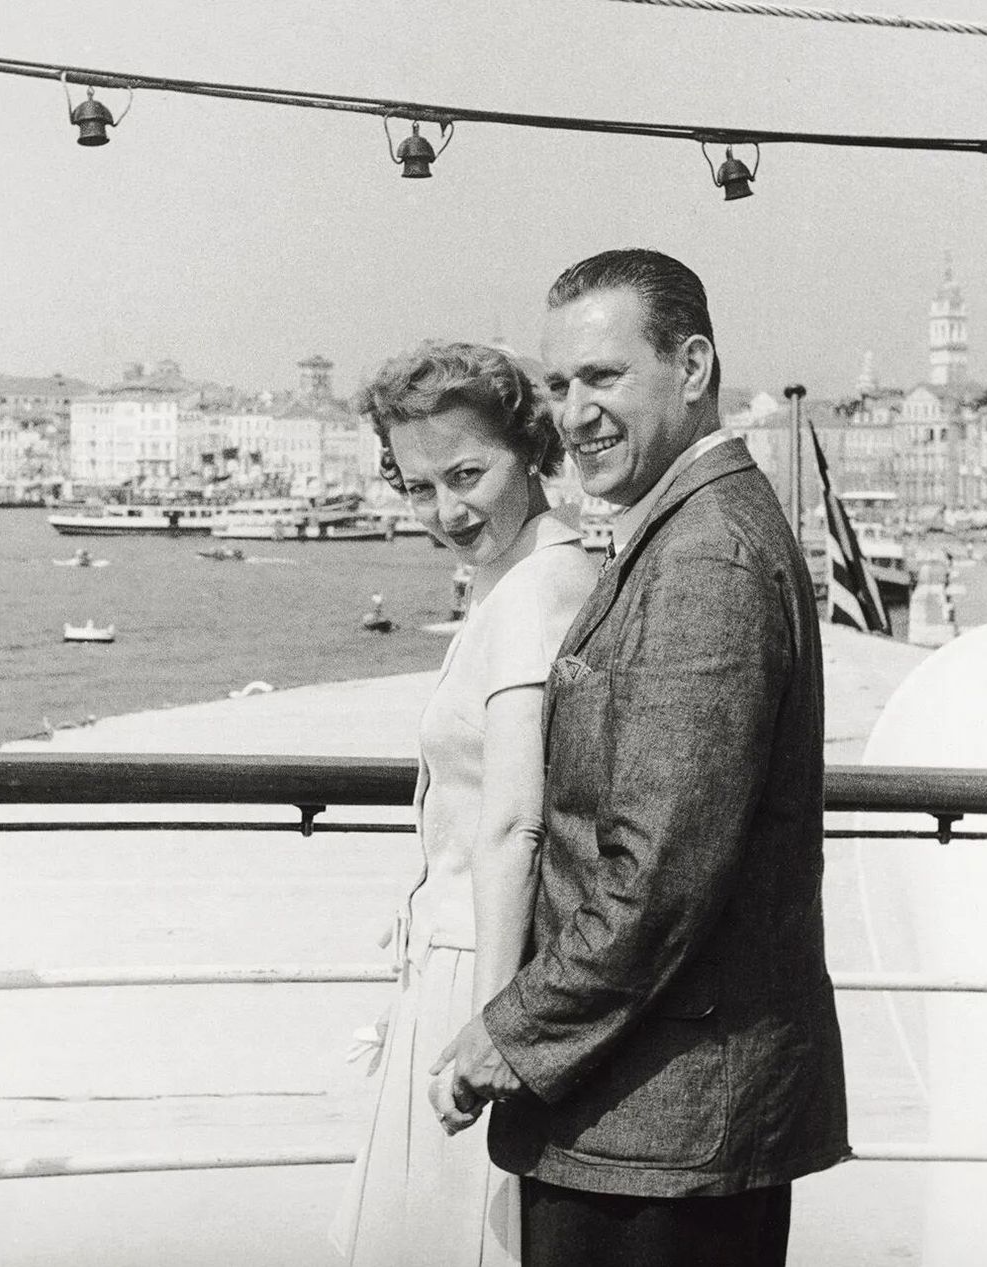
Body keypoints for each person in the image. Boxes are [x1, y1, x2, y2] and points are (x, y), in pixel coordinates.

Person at [434, 249, 849, 1266]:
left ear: (693, 365)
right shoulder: (688, 526)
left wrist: (510, 1032)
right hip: (658, 1114)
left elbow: (660, 867)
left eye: (604, 377)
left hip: (660, 1129)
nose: (575, 413)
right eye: (560, 384)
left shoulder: (707, 553)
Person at [331, 341, 599, 1266]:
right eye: (417, 487)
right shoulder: (518, 575)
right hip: (462, 958)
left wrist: (490, 1027)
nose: (446, 510)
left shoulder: (533, 590)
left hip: (477, 971)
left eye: (467, 473)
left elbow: (515, 818)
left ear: (531, 449)